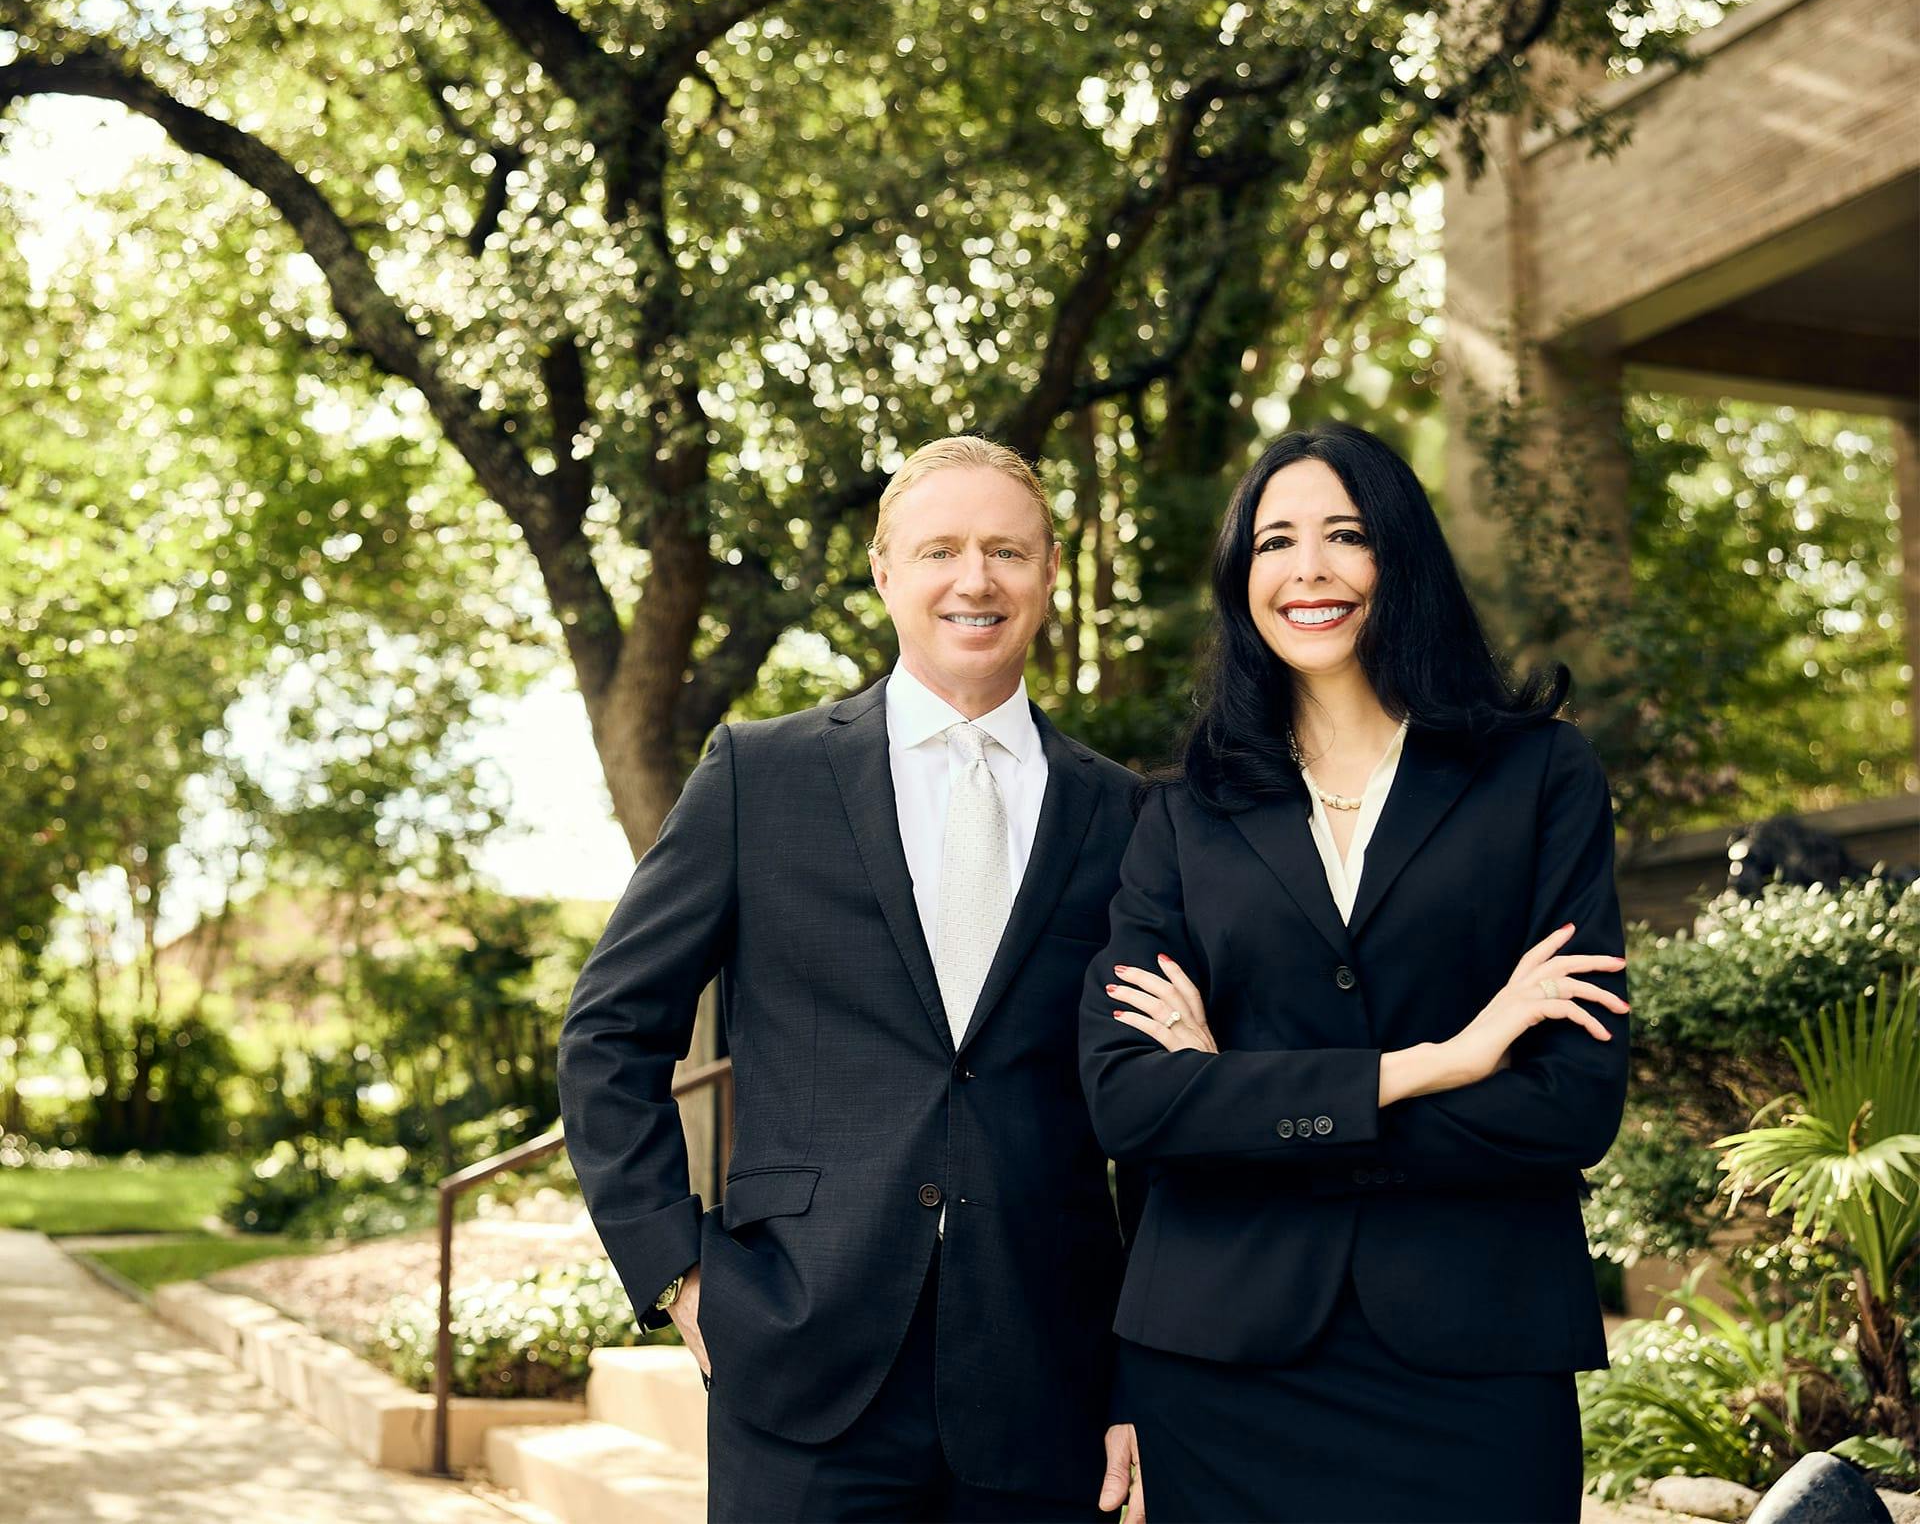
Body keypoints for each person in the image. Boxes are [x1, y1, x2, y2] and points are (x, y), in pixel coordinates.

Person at [560, 435, 1142, 1522]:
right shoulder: (761, 775)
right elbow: (608, 1034)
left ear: (1051, 570)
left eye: (1007, 550)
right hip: (799, 1358)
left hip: (1047, 1375)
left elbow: (1158, 1107)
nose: (976, 579)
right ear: (886, 573)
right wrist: (680, 1275)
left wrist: (1146, 1373)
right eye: (942, 550)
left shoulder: (1124, 816)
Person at [1079, 422, 1630, 1523]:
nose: (1309, 568)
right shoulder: (1181, 812)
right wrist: (1440, 1061)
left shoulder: (1536, 776)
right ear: (1243, 579)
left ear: (1402, 558)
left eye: (1346, 534)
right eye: (1276, 540)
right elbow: (1130, 1099)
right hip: (1224, 1366)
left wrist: (1239, 1092)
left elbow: (1570, 1104)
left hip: (1476, 1354)